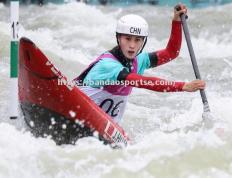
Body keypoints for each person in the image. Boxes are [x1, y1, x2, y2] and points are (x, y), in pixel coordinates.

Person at [74, 4, 205, 124]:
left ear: (143, 42)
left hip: (105, 124)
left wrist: (176, 22)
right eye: (127, 39)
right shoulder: (108, 64)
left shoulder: (140, 60)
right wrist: (182, 86)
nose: (132, 45)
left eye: (138, 40)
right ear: (118, 38)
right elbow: (141, 81)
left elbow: (171, 53)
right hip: (77, 112)